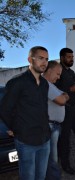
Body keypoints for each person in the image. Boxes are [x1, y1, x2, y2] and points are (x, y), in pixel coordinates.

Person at [0, 46, 51, 179]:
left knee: (41, 176)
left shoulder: (45, 84)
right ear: (30, 59)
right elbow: (5, 109)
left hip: (44, 140)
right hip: (26, 141)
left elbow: (43, 109)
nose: (44, 62)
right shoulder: (17, 82)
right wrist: (14, 128)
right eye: (40, 58)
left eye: (46, 59)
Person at [43, 61, 69, 180]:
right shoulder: (46, 85)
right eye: (57, 74)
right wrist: (64, 96)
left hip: (55, 126)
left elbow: (64, 95)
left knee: (52, 158)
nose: (58, 78)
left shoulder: (51, 85)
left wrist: (64, 95)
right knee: (51, 160)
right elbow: (62, 100)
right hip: (50, 126)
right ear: (49, 70)